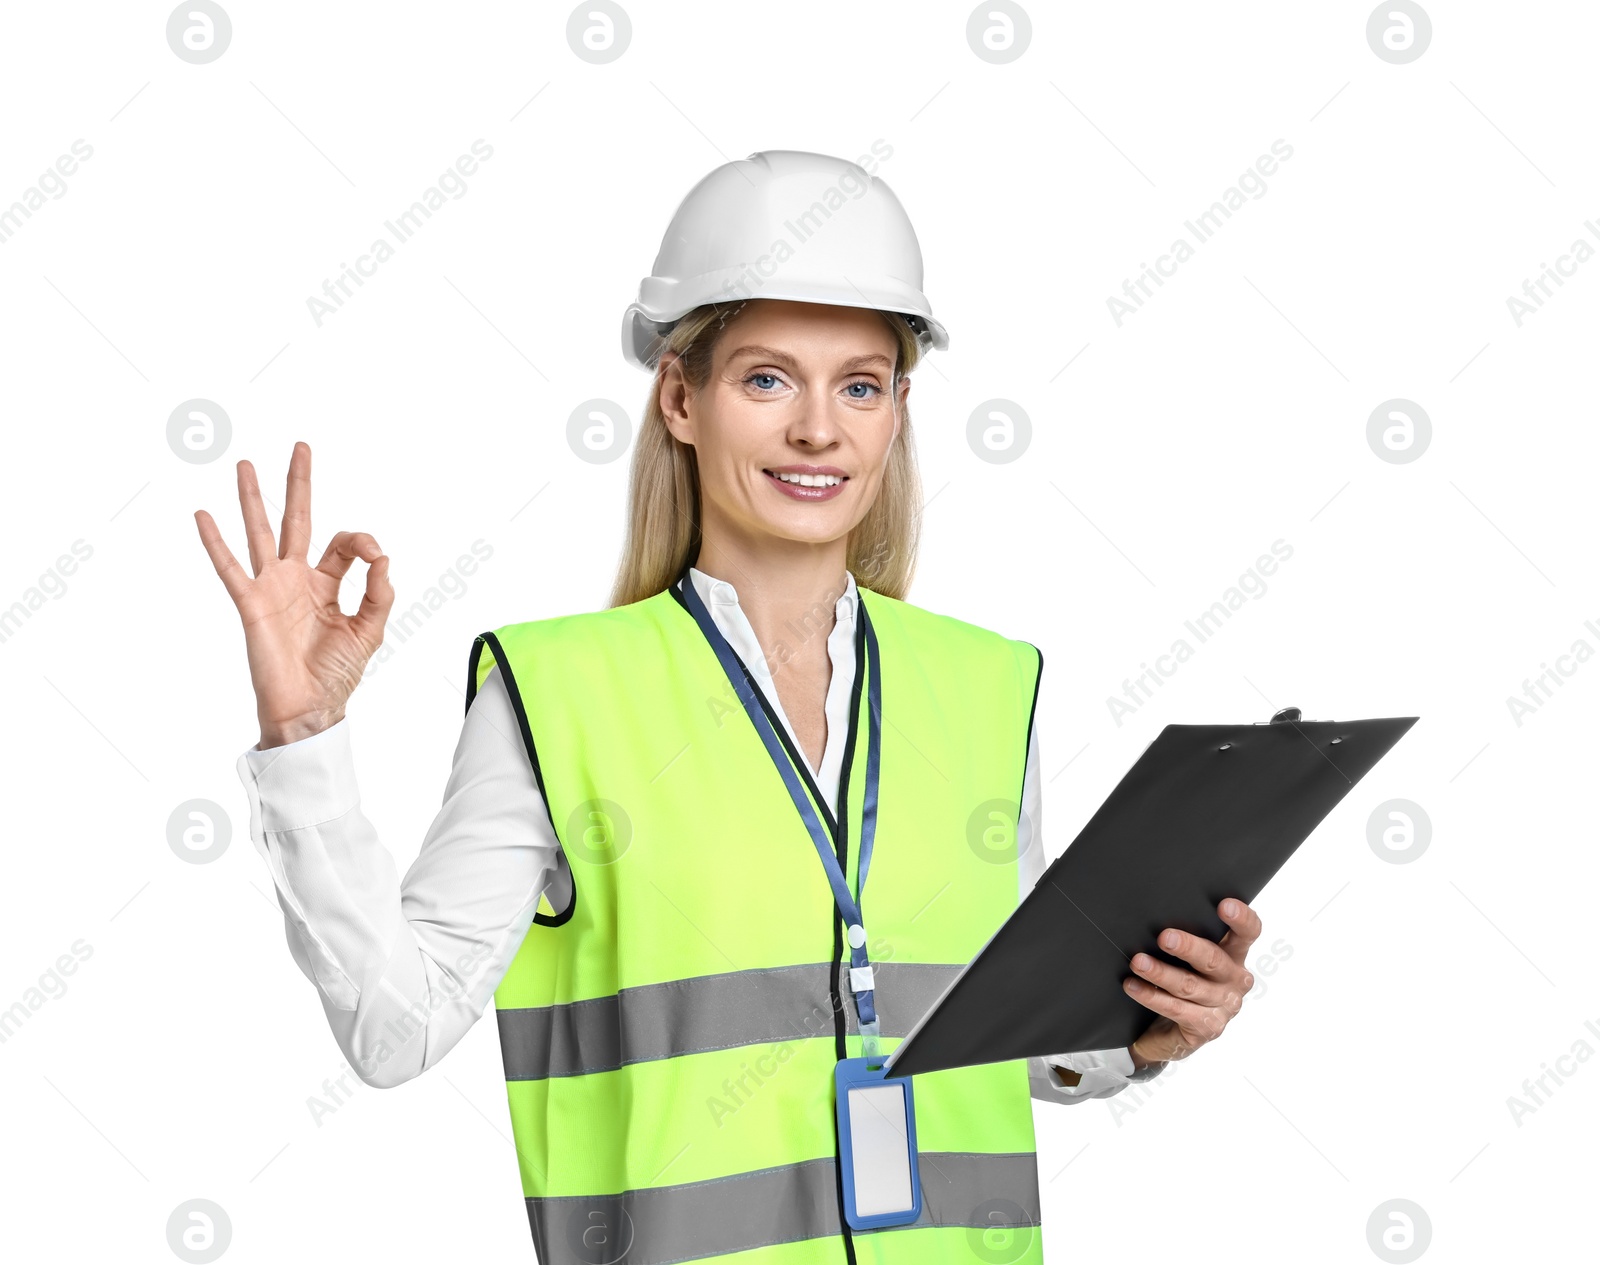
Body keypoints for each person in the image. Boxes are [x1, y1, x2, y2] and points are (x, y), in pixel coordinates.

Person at [195, 150, 1262, 1264]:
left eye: (860, 383)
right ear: (679, 397)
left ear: (898, 409)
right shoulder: (559, 693)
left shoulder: (988, 683)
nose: (818, 429)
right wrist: (303, 736)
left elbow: (1026, 1039)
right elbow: (394, 1026)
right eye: (766, 378)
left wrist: (1151, 1024)